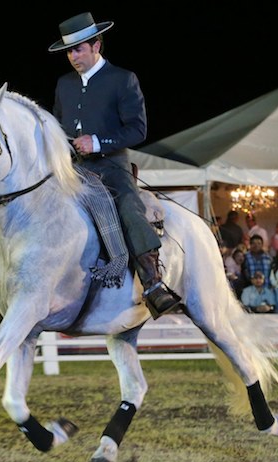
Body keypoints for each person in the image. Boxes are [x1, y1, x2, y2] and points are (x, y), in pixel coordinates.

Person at [49, 11, 180, 319]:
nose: (72, 56)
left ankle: (152, 282)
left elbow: (138, 129)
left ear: (96, 45)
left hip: (110, 166)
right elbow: (56, 125)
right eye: (69, 51)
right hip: (72, 168)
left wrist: (97, 142)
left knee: (129, 208)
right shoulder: (64, 84)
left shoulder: (123, 79)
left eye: (78, 49)